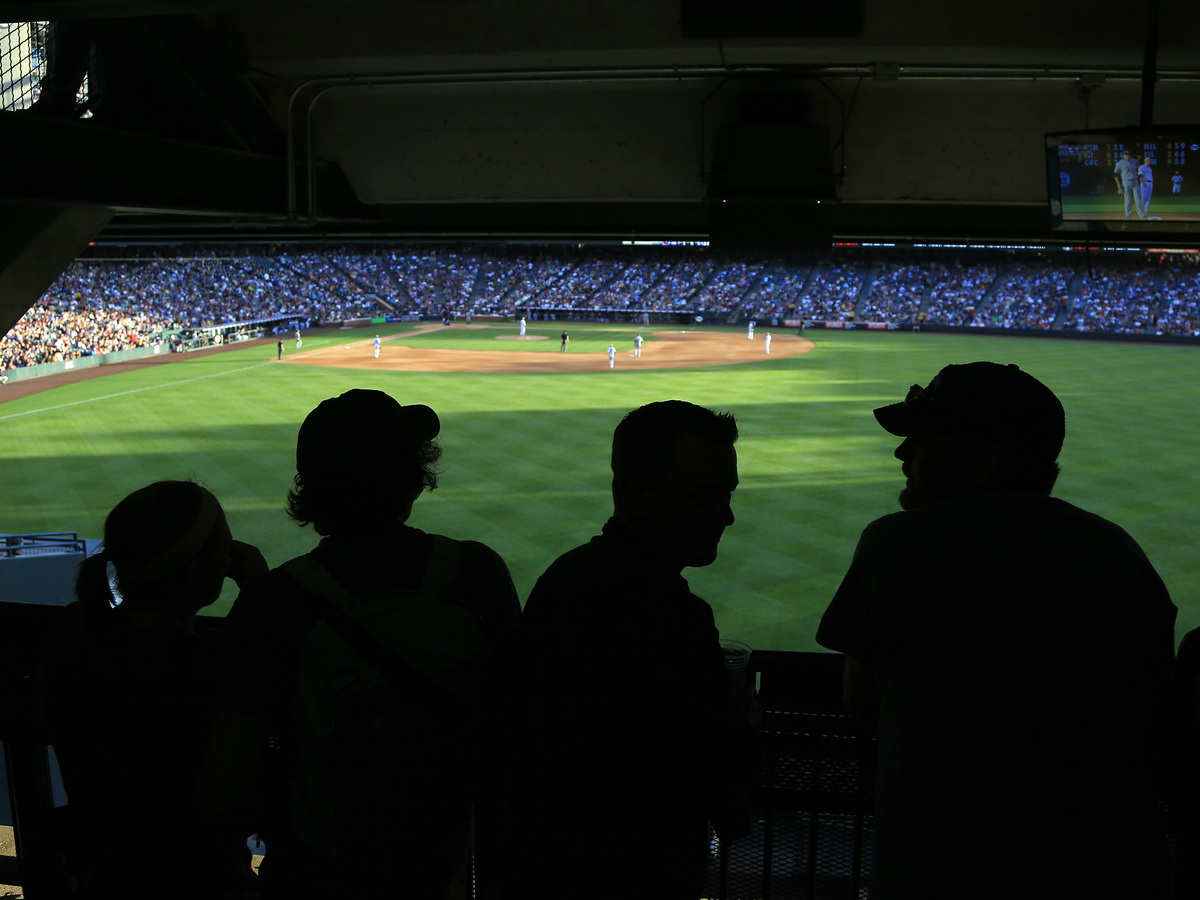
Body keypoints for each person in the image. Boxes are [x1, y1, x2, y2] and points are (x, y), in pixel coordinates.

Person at [816, 362, 1177, 900]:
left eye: (924, 438)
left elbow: (864, 703)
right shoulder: (1119, 553)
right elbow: (1150, 719)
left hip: (936, 870)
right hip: (1101, 873)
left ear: (987, 459)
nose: (902, 453)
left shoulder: (897, 544)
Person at [200, 389, 520, 900]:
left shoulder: (276, 602)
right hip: (443, 870)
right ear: (412, 476)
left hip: (316, 878)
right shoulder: (476, 575)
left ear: (314, 491)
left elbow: (224, 789)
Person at [502, 400, 760, 900]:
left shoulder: (564, 575)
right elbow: (723, 788)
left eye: (727, 495)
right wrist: (745, 726)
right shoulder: (674, 617)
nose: (726, 515)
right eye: (706, 496)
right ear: (633, 493)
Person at [40, 481, 267, 900]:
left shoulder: (70, 632)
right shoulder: (208, 665)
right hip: (200, 882)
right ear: (203, 572)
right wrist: (259, 592)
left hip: (100, 874)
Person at [1114, 149, 1146, 219]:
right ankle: (1128, 215)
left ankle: (1141, 215)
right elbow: (1116, 174)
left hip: (1135, 181)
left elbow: (1139, 169)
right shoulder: (1120, 163)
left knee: (1138, 199)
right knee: (1127, 199)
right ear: (1123, 155)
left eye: (1129, 155)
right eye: (1126, 155)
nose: (1128, 156)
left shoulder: (1134, 161)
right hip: (1126, 182)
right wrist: (1118, 184)